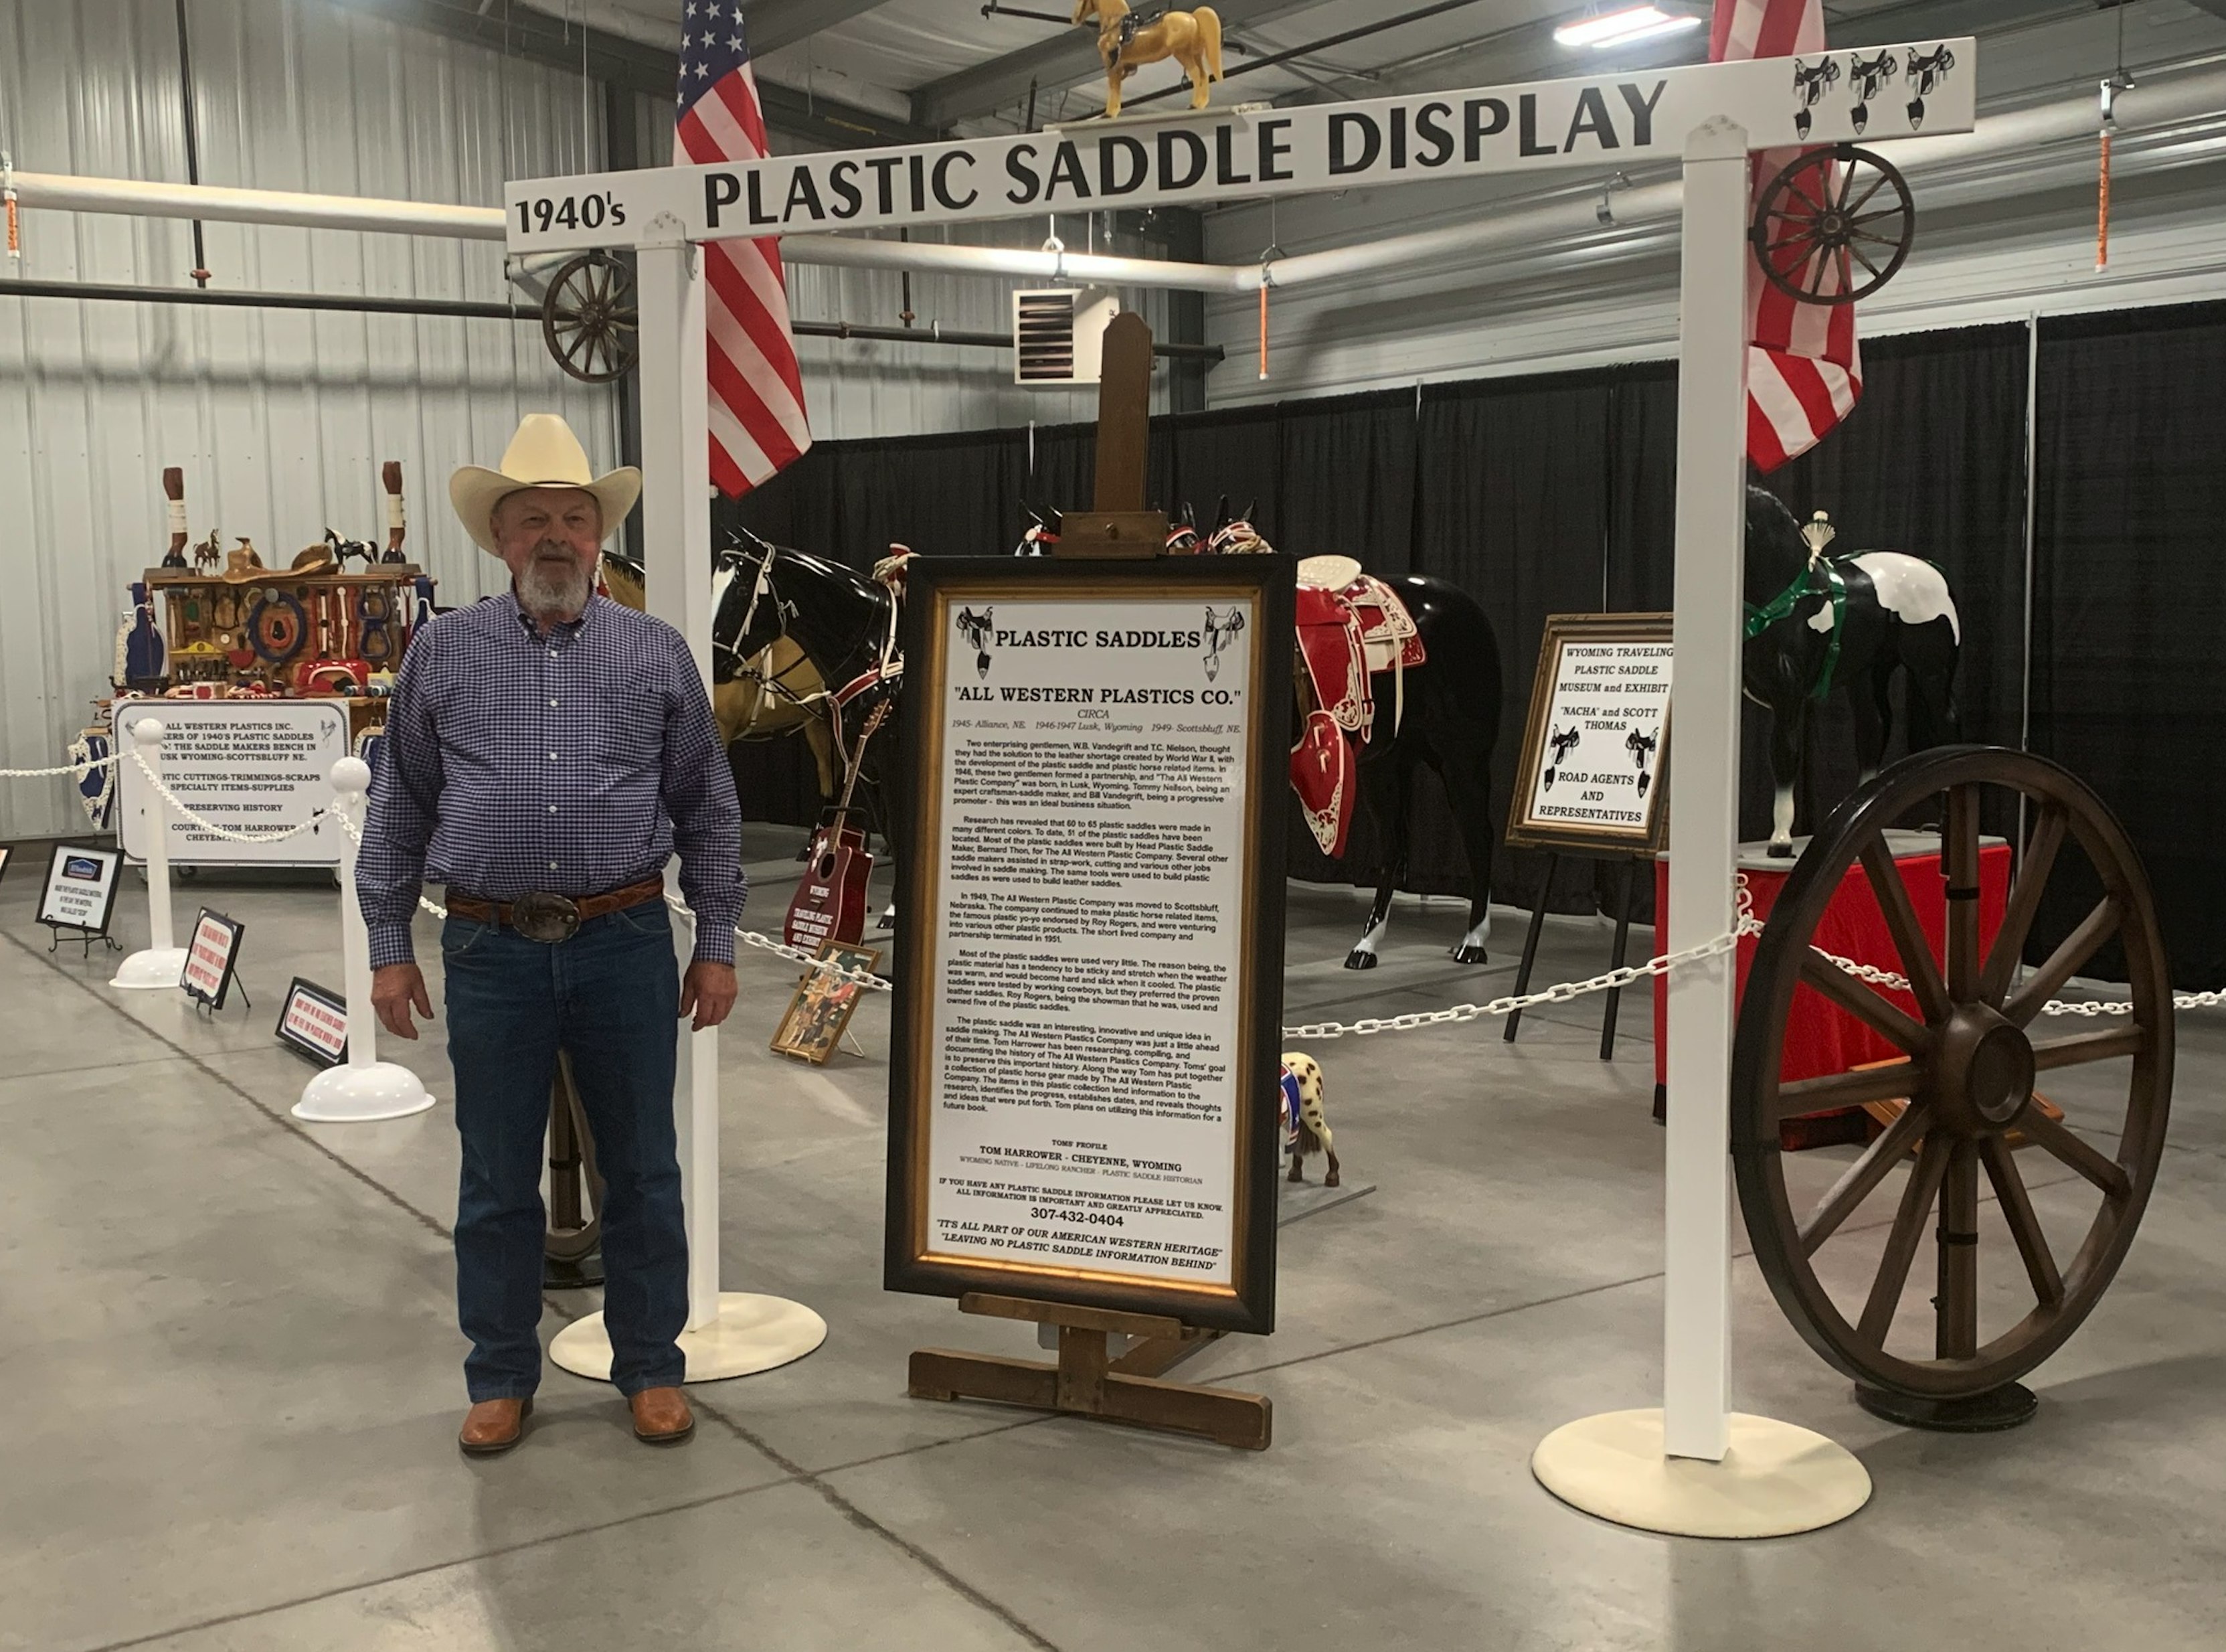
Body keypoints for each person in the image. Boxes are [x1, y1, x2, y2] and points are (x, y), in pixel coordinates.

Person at [357, 414, 744, 1457]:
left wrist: (718, 939)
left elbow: (707, 805)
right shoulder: (442, 652)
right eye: (535, 520)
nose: (559, 537)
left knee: (643, 1170)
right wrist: (388, 946)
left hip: (623, 946)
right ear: (500, 538)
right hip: (490, 954)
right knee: (493, 1177)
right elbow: (399, 809)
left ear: (600, 535)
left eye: (576, 518)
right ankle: (498, 1374)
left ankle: (651, 1369)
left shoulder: (655, 653)